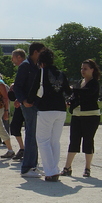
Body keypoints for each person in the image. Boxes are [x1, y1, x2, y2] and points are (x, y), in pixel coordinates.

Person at [25, 49, 71, 181]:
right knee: (54, 141)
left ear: (41, 62)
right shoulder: (61, 74)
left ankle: (51, 171)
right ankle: (54, 168)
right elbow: (68, 92)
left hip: (46, 109)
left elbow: (34, 90)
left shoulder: (42, 72)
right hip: (61, 110)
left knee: (43, 141)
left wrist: (28, 100)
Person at [61, 59, 101, 178]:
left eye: (85, 68)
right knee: (74, 141)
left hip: (91, 115)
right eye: (82, 68)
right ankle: (67, 167)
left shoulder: (94, 83)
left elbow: (87, 93)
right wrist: (69, 102)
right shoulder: (80, 82)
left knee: (88, 141)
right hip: (77, 115)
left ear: (92, 70)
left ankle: (87, 168)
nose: (82, 71)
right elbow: (75, 97)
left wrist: (72, 89)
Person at [13, 41, 45, 178]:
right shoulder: (25, 66)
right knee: (32, 134)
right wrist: (23, 100)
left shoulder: (37, 65)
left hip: (36, 103)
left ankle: (32, 165)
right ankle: (27, 167)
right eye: (42, 51)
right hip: (29, 104)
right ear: (36, 52)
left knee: (35, 135)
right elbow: (18, 86)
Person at [8, 49, 27, 161]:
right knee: (14, 126)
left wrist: (20, 100)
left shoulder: (25, 67)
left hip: (25, 102)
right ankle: (23, 148)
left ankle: (28, 150)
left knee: (30, 128)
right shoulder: (22, 68)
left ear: (19, 57)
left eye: (13, 57)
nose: (12, 60)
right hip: (20, 101)